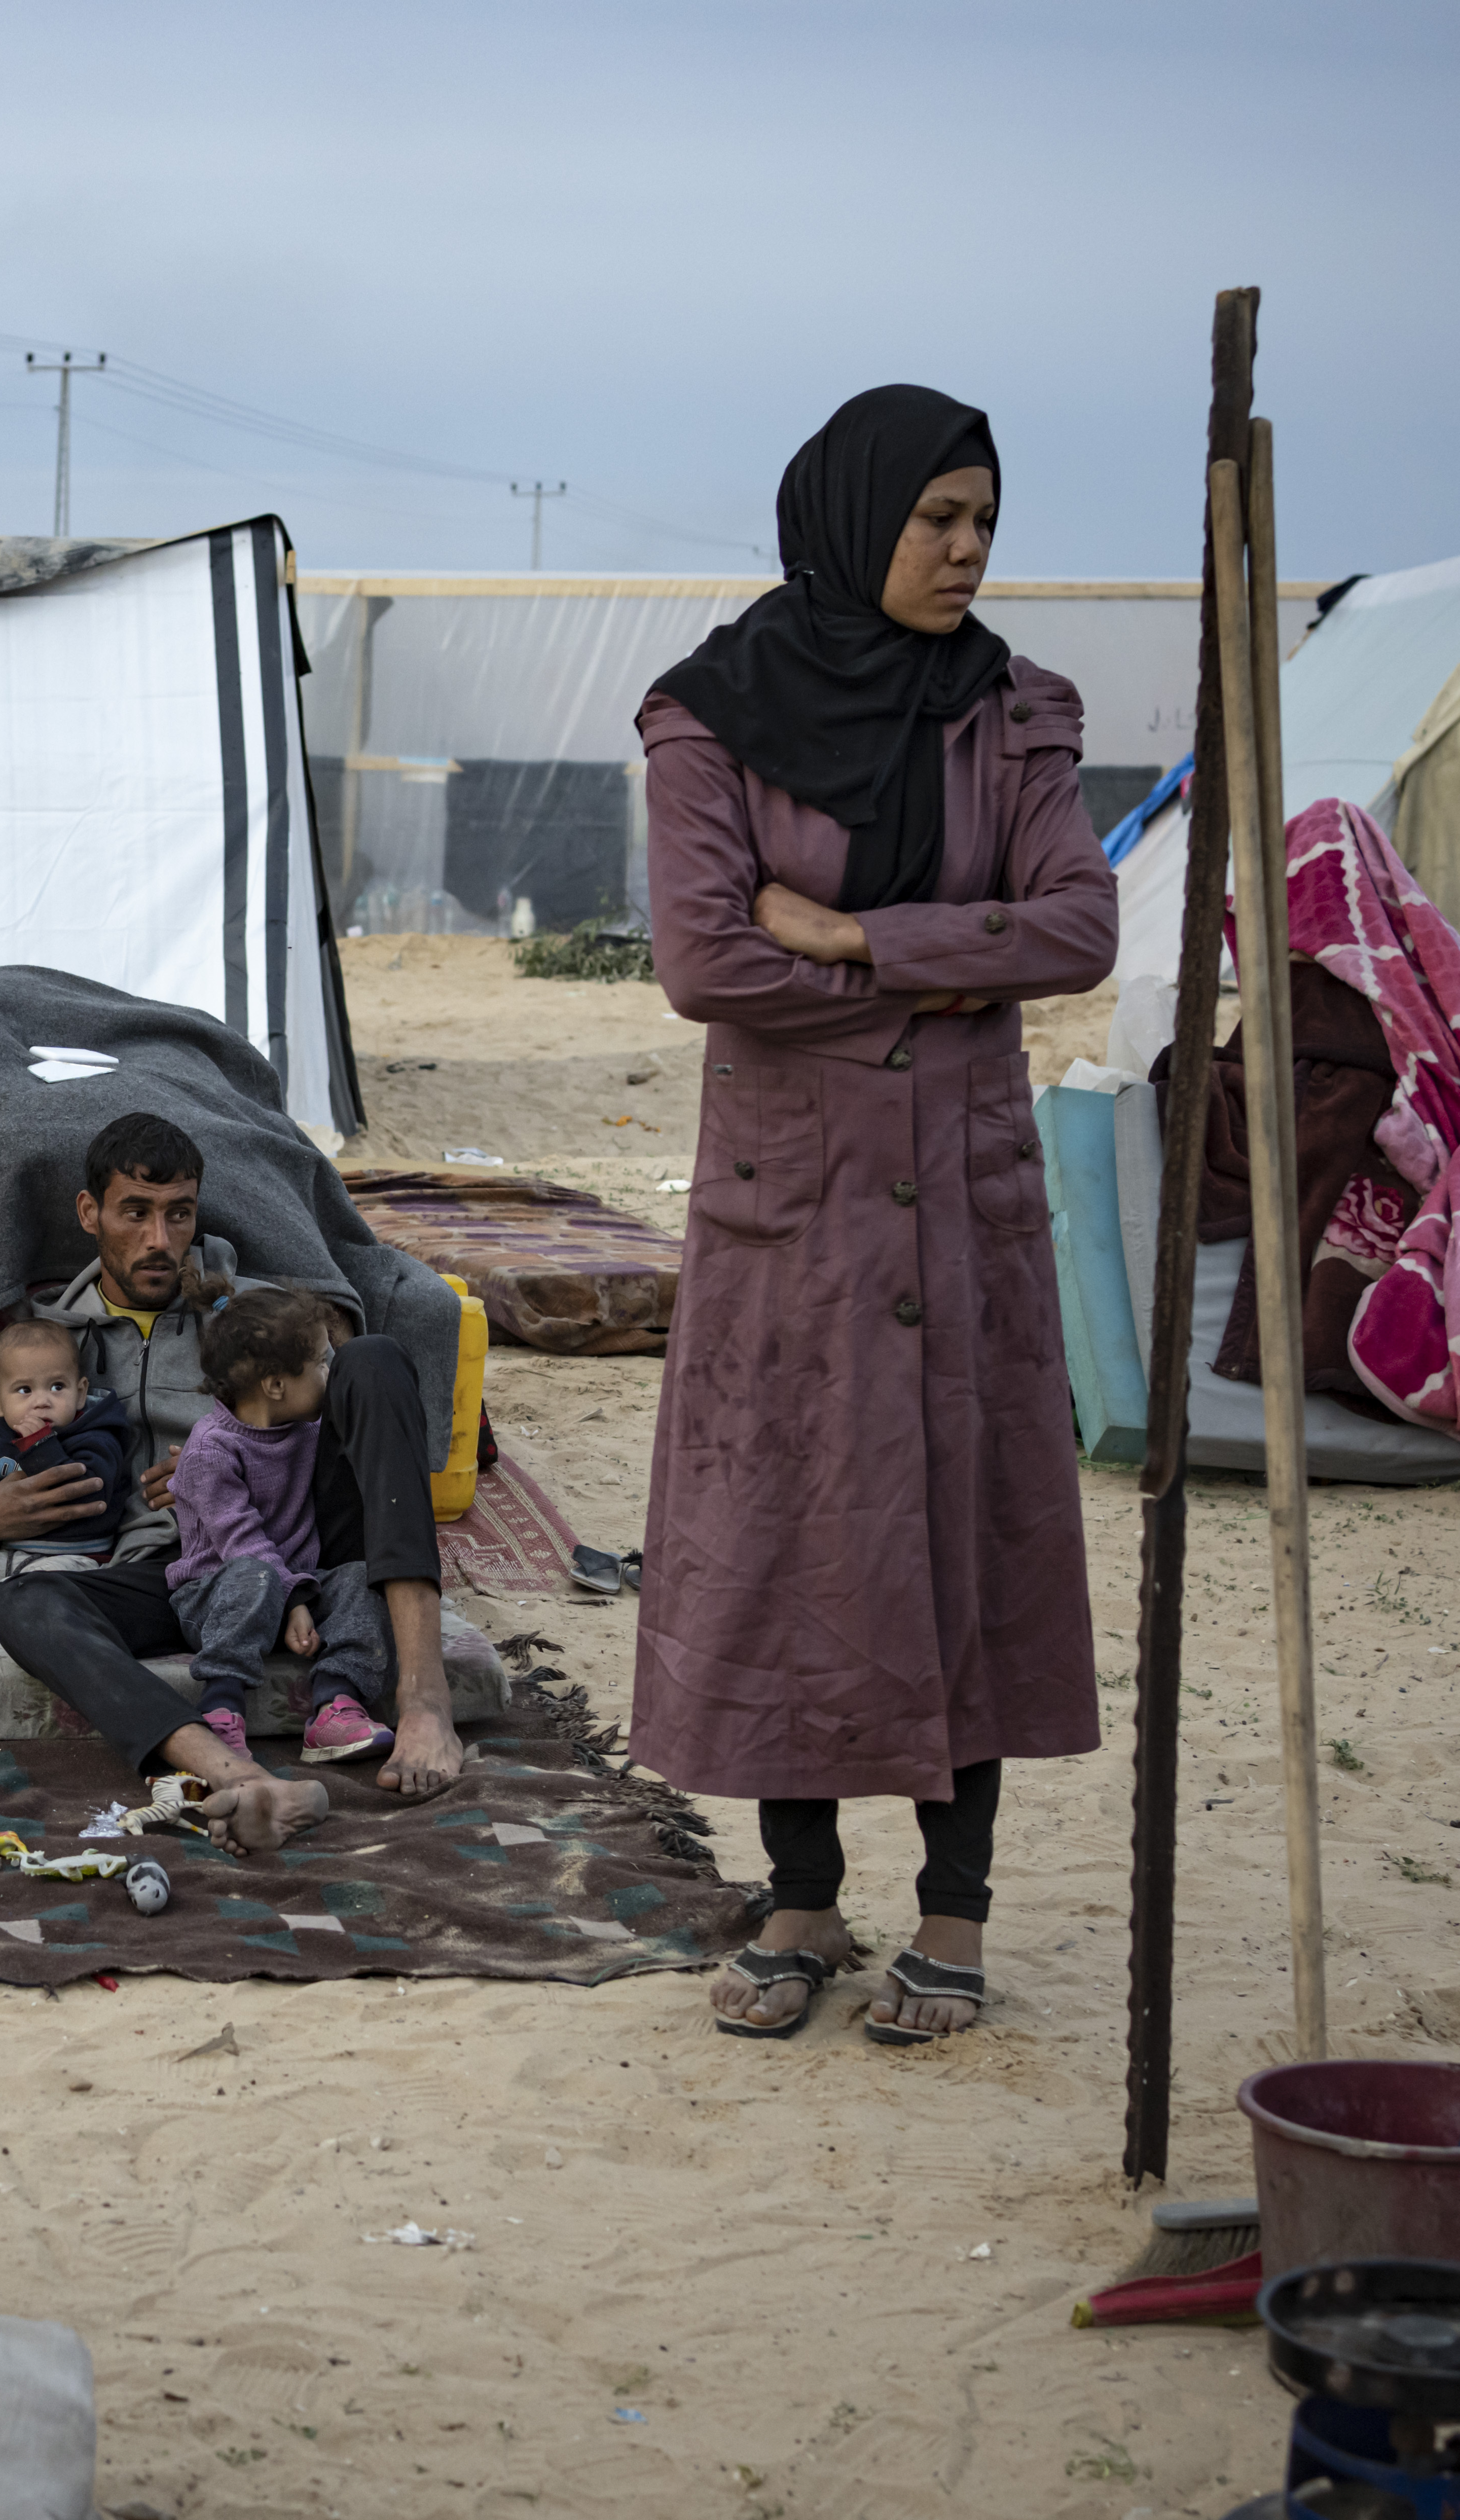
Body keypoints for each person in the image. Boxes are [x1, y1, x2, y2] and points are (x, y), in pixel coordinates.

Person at [630, 385, 1116, 2046]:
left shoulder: (1017, 710)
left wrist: (853, 944)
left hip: (961, 1211)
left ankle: (956, 1916)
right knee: (790, 1543)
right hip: (794, 1210)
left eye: (985, 518)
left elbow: (1076, 928)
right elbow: (705, 962)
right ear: (857, 519)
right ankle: (800, 1902)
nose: (970, 549)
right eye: (938, 519)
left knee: (959, 1537)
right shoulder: (709, 716)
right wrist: (950, 975)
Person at [0, 1113, 463, 1853]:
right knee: (25, 1605)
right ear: (90, 1214)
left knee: (374, 1360)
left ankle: (424, 1699)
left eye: (178, 1214)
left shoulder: (256, 1315)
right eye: (135, 1214)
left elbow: (336, 1410)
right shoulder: (47, 1339)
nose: (160, 1240)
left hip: (296, 1536)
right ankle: (233, 1776)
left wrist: (239, 1458)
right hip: (169, 1573)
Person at [166, 1288, 397, 1765]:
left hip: (297, 1588)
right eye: (320, 1363)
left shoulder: (308, 1429)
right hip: (214, 1596)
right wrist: (293, 1602)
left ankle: (337, 1703)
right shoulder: (212, 1450)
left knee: (359, 1577)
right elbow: (241, 1542)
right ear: (275, 1386)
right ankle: (220, 1711)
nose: (330, 1373)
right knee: (256, 1575)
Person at [0, 1320, 135, 1621]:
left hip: (68, 1558)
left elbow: (88, 1497)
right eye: (24, 1390)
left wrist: (40, 1447)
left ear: (81, 1393)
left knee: (55, 1589)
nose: (42, 1402)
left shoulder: (97, 1440)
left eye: (58, 1387)